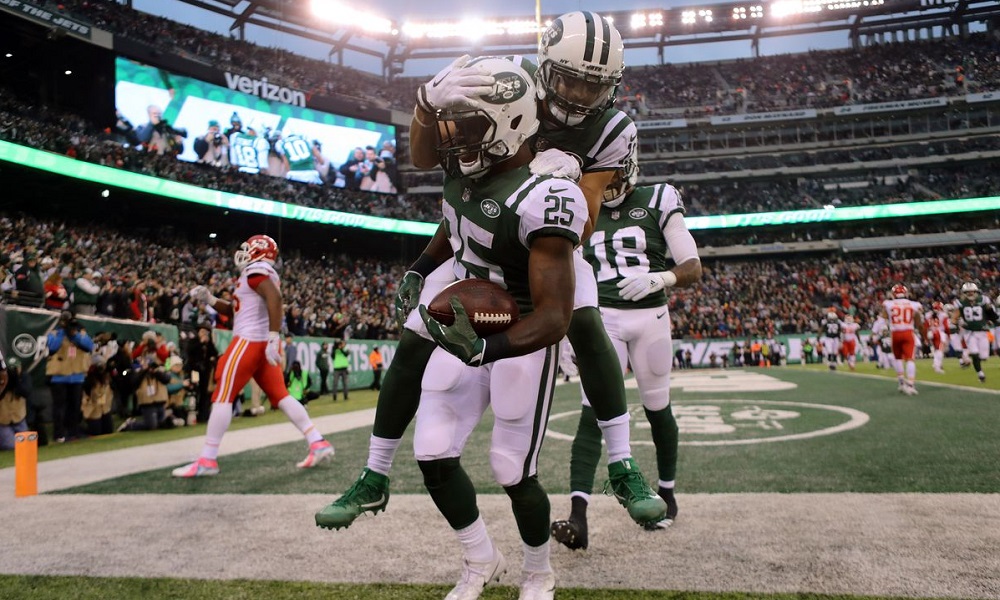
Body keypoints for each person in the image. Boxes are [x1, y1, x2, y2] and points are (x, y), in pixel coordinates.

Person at [316, 11, 665, 533]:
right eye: (568, 80)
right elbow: (444, 176)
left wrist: (570, 179)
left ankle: (622, 463)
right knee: (413, 338)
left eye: (591, 86)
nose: (576, 96)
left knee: (586, 322)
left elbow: (584, 221)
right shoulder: (510, 81)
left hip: (550, 239)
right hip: (482, 238)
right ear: (544, 67)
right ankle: (374, 473)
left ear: (612, 85)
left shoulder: (614, 128)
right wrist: (424, 110)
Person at [407, 56, 586, 599]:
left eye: (467, 126)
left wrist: (488, 349)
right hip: (465, 324)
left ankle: (538, 572)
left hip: (521, 335)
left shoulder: (546, 195)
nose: (453, 139)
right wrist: (424, 107)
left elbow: (555, 316)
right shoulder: (465, 171)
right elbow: (447, 208)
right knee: (432, 450)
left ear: (510, 125)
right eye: (452, 125)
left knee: (512, 469)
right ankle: (480, 558)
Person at [553, 161, 703, 550]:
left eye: (615, 174)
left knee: (658, 408)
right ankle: (578, 516)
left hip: (651, 317)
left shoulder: (659, 197)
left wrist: (664, 277)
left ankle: (667, 492)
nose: (609, 183)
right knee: (591, 414)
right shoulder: (580, 202)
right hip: (602, 319)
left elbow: (693, 266)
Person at [171, 235, 333, 477]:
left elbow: (275, 298)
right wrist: (210, 299)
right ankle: (317, 441)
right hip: (261, 344)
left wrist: (274, 335)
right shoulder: (258, 275)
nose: (244, 252)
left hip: (248, 342)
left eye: (248, 248)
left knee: (223, 394)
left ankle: (207, 459)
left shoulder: (256, 271)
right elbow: (236, 310)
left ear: (259, 251)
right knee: (282, 396)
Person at [46, 310, 94, 442]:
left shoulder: (80, 333)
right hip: (59, 376)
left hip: (77, 376)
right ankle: (59, 434)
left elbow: (89, 345)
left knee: (75, 406)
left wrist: (74, 334)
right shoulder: (55, 333)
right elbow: (52, 347)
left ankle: (73, 432)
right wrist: (63, 332)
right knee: (59, 407)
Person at [882, 284, 924, 395]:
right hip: (908, 332)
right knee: (910, 359)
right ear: (905, 293)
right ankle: (910, 385)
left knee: (898, 358)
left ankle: (901, 383)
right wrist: (921, 329)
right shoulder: (914, 304)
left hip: (895, 333)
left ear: (893, 294)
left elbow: (884, 317)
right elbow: (918, 321)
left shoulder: (888, 304)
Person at [956, 282, 995, 383]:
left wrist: (991, 319)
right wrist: (958, 321)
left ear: (976, 291)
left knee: (984, 357)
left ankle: (967, 358)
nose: (970, 293)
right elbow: (954, 318)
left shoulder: (983, 300)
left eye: (972, 291)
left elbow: (991, 314)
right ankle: (980, 374)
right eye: (967, 292)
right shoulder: (960, 303)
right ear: (964, 293)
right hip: (970, 332)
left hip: (982, 332)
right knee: (975, 354)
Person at [0, 351, 27, 451]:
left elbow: (25, 393)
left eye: (15, 368)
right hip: (2, 421)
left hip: (19, 418)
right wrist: (5, 384)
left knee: (25, 444)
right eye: (10, 369)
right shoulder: (2, 380)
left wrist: (16, 380)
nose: (13, 371)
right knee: (11, 446)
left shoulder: (24, 377)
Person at [81, 362, 114, 436]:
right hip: (93, 410)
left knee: (108, 430)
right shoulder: (89, 384)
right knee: (95, 433)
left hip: (104, 409)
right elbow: (92, 398)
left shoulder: (106, 382)